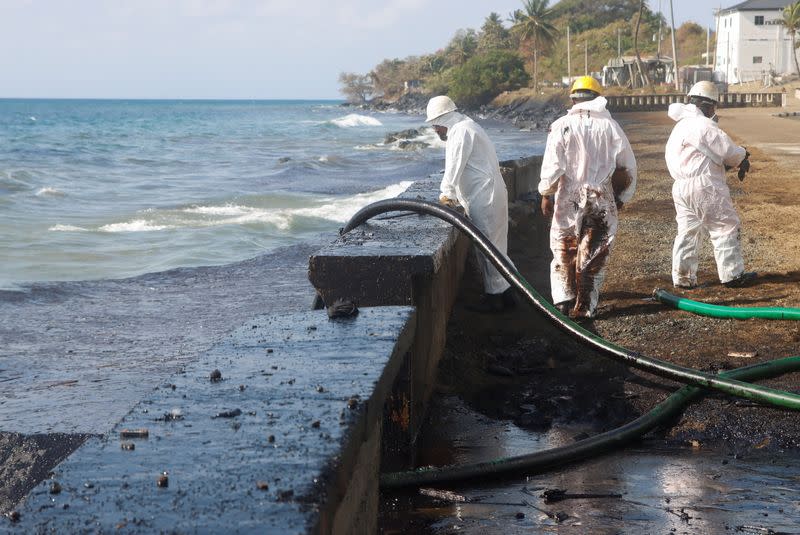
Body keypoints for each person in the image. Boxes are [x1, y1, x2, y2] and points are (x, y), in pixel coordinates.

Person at [538, 76, 637, 319]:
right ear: (597, 97)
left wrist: (546, 194)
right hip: (601, 196)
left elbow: (553, 165)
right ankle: (584, 308)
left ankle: (563, 301)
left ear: (573, 98)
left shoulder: (561, 125)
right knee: (595, 251)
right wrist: (623, 196)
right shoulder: (611, 127)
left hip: (568, 195)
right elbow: (626, 166)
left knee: (564, 246)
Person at [425, 95, 516, 313]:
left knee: (488, 250)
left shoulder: (460, 131)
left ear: (444, 119)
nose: (435, 130)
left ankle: (495, 300)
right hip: (489, 195)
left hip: (484, 198)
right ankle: (509, 296)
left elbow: (454, 166)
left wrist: (446, 194)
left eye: (436, 125)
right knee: (496, 248)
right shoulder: (468, 126)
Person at [665, 80, 756, 289]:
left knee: (688, 230)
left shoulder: (680, 127)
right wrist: (742, 154)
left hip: (680, 186)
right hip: (705, 185)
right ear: (708, 105)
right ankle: (733, 275)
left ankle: (683, 278)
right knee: (724, 225)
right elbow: (728, 152)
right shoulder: (703, 125)